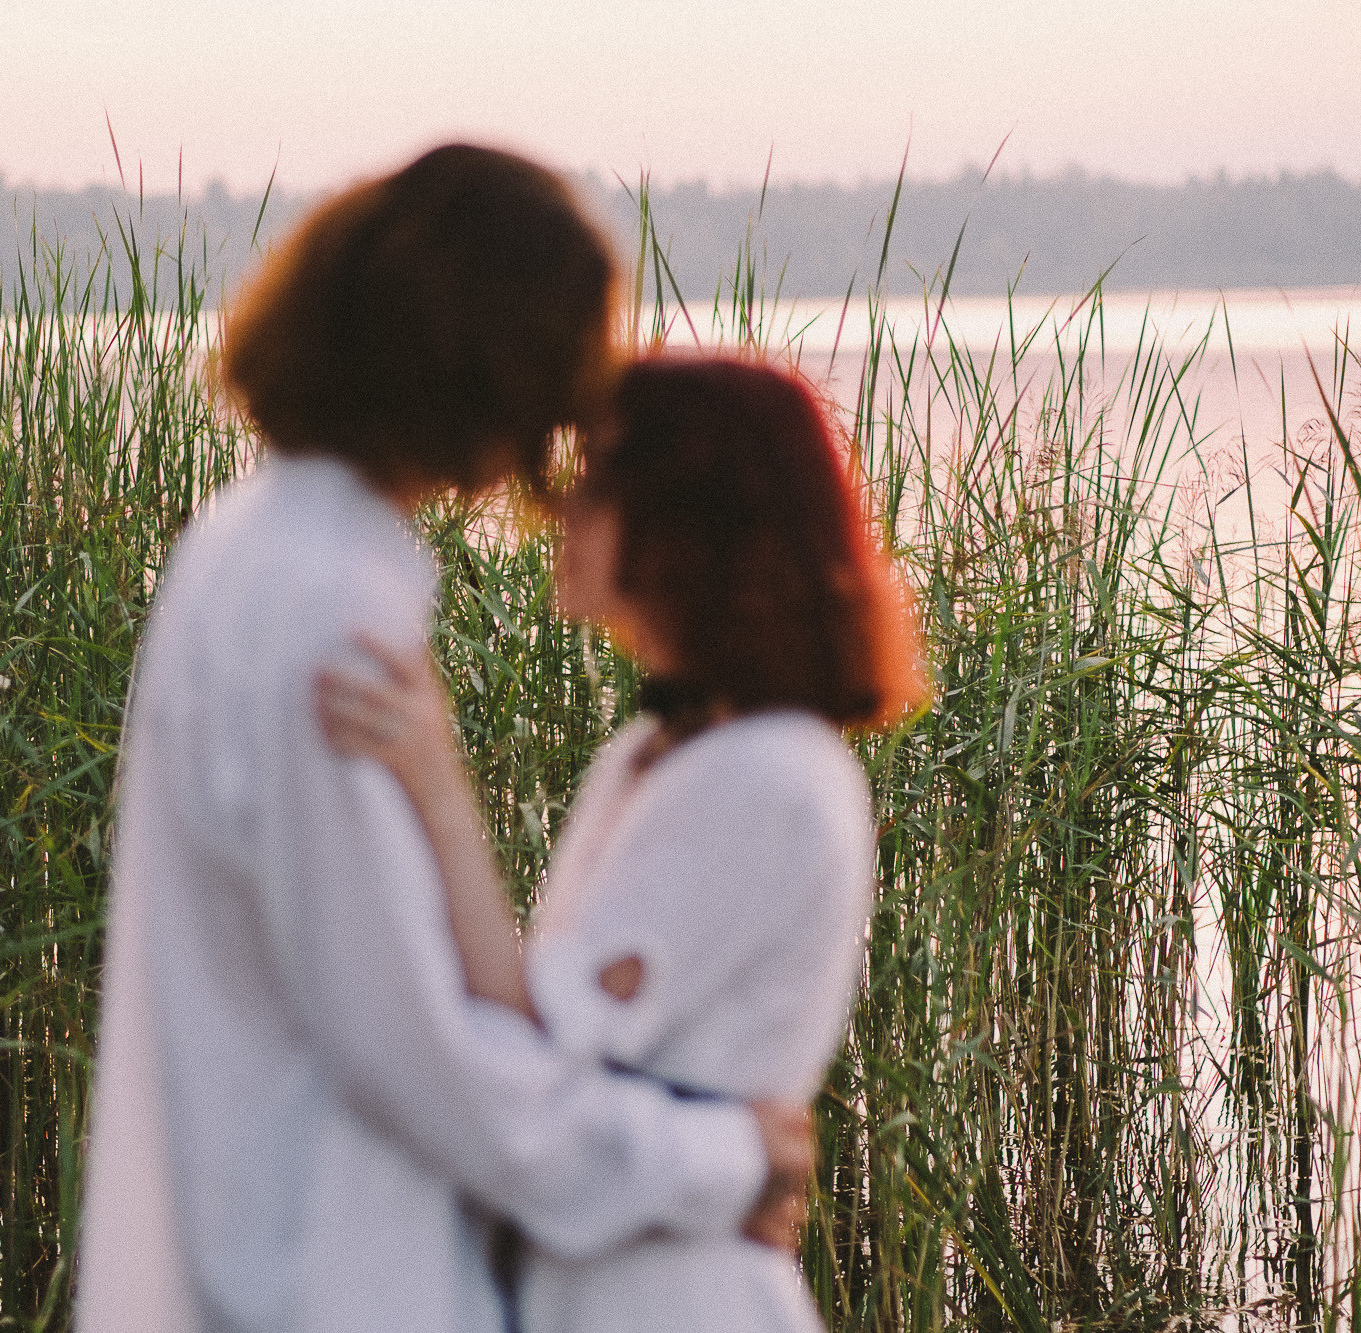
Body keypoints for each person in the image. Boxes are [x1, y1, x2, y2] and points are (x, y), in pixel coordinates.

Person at [76, 148, 813, 1333]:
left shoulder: (239, 549)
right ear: (487, 371)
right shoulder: (325, 610)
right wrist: (717, 1158)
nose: (568, 430)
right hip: (333, 1282)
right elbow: (416, 1047)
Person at [318, 356, 927, 1332]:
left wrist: (436, 785)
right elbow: (534, 1042)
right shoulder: (654, 752)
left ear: (685, 526)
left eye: (592, 485)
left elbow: (536, 1057)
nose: (555, 516)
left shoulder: (763, 775)